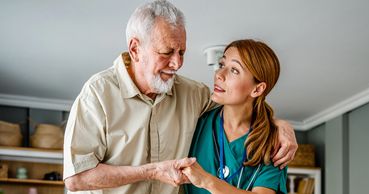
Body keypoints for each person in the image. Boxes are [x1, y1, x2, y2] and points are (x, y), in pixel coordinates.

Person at [63, 1, 297, 194]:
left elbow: (245, 107)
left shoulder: (194, 96)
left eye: (181, 52)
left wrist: (282, 126)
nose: (177, 64)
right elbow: (76, 179)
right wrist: (152, 171)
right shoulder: (97, 94)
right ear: (135, 49)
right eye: (166, 52)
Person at [183, 39, 287, 194]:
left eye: (234, 70)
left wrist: (207, 181)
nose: (219, 74)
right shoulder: (196, 120)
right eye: (222, 65)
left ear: (257, 89)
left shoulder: (272, 144)